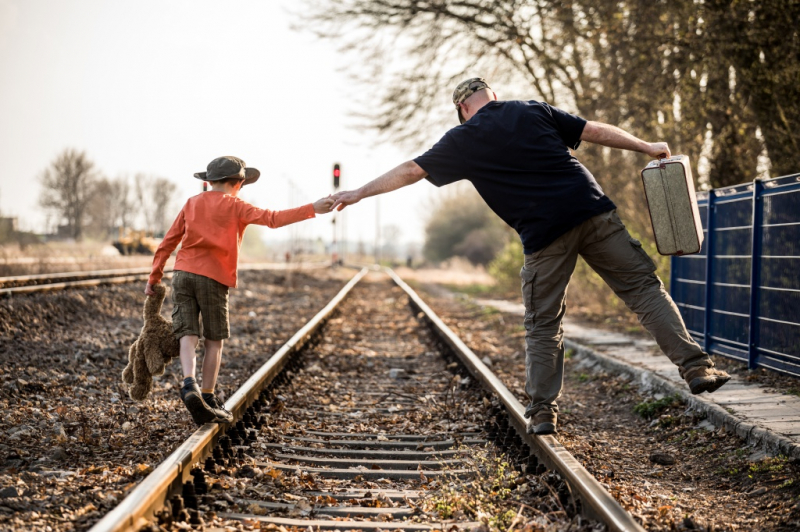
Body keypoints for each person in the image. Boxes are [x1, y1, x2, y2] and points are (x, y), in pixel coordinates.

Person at [331, 78, 730, 435]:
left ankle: (542, 412)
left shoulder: (462, 138)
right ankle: (696, 367)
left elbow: (411, 170)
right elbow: (593, 131)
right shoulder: (531, 108)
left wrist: (357, 193)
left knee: (543, 323)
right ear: (494, 96)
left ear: (463, 109)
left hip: (544, 235)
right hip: (592, 211)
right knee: (644, 289)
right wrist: (645, 146)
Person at [146, 156, 333, 425]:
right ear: (238, 184)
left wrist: (154, 277)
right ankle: (208, 396)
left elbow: (167, 242)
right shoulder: (237, 206)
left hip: (183, 274)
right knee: (214, 340)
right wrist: (312, 208)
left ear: (208, 182)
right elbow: (273, 219)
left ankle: (189, 384)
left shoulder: (191, 203)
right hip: (214, 278)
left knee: (187, 332)